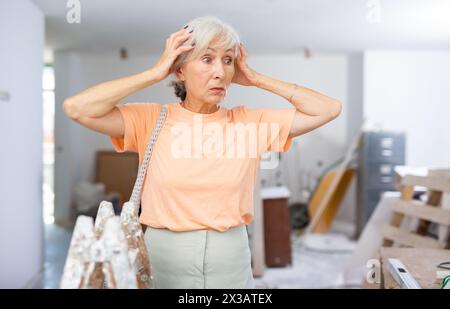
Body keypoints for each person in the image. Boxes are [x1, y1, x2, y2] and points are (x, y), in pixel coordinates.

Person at [63, 16, 341, 289]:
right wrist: (154, 73)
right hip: (163, 256)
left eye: (228, 60)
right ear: (180, 70)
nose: (220, 71)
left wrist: (257, 79)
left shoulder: (251, 123)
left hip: (230, 258)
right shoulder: (150, 119)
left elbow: (328, 109)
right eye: (207, 59)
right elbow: (77, 108)